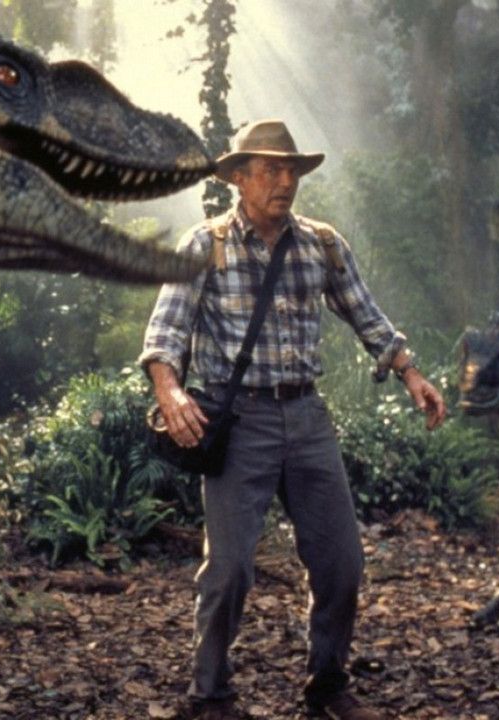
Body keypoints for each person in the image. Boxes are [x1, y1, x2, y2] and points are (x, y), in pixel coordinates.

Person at [139, 119, 447, 720]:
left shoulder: (321, 245)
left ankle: (327, 685)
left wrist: (411, 374)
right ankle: (210, 695)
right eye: (270, 171)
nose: (284, 182)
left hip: (306, 417)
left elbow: (367, 316)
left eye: (291, 171)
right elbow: (164, 335)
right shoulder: (206, 246)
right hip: (237, 424)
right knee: (229, 569)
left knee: (342, 563)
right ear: (239, 178)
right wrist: (170, 391)